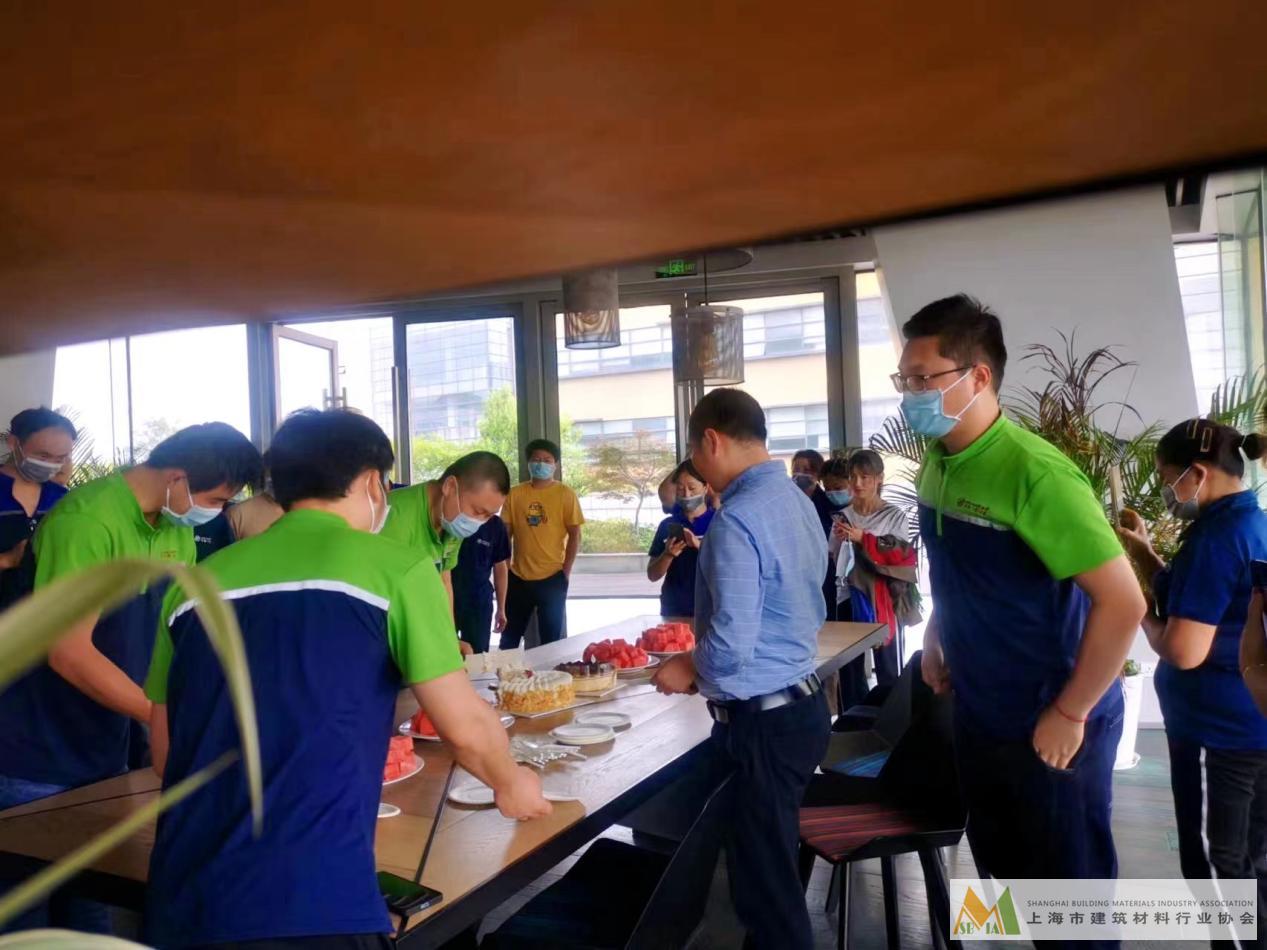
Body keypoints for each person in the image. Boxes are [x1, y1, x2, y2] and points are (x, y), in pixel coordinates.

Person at [143, 409, 549, 950]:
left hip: (183, 896)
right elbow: (464, 725)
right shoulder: (395, 570)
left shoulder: (190, 586)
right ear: (371, 483)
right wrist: (511, 782)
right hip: (314, 898)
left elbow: (165, 750)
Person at [902, 294, 1144, 945]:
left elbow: (1124, 602)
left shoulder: (1036, 473)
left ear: (977, 377)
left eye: (923, 379)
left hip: (1052, 712)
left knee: (1070, 900)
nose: (911, 394)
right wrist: (936, 635)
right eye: (905, 379)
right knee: (1008, 877)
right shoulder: (938, 464)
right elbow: (955, 569)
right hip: (981, 710)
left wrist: (1071, 711)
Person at [0, 422, 262, 809]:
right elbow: (68, 652)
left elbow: (176, 626)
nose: (218, 512)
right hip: (41, 751)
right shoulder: (87, 521)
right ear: (177, 478)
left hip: (109, 739)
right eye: (216, 500)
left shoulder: (174, 526)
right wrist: (160, 716)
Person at [652, 388, 829, 950]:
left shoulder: (737, 521)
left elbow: (729, 645)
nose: (694, 470)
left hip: (763, 726)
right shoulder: (797, 501)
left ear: (711, 441)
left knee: (767, 894)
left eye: (693, 453)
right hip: (799, 707)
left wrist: (689, 664)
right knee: (761, 872)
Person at [1118, 418, 1267, 934]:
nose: (1167, 492)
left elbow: (1183, 650)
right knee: (1253, 857)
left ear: (1197, 473)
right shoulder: (1250, 524)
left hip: (1215, 733)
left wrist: (1136, 607)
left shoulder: (1217, 539)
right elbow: (1200, 600)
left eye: (1168, 478)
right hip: (1252, 722)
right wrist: (1144, 553)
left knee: (1217, 865)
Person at [827, 450, 914, 709]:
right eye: (853, 477)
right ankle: (854, 717)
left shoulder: (894, 515)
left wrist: (862, 539)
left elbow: (900, 555)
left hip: (884, 598)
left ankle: (890, 718)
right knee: (849, 666)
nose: (858, 483)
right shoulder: (842, 516)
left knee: (888, 665)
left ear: (879, 478)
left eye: (865, 477)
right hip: (848, 594)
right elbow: (832, 555)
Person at [499, 439, 584, 648]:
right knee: (509, 638)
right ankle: (505, 670)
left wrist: (566, 571)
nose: (541, 464)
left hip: (553, 577)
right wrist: (506, 568)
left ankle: (549, 671)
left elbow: (575, 535)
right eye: (536, 459)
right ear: (528, 463)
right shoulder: (515, 494)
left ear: (555, 464)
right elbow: (504, 534)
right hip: (518, 577)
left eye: (547, 460)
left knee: (551, 641)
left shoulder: (565, 494)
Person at [0, 408, 77, 612]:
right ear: (14, 443)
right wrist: (7, 560)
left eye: (61, 458)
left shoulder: (62, 499)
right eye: (43, 456)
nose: (52, 465)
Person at [646, 459, 714, 617]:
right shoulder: (667, 526)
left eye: (692, 488)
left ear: (705, 487)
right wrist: (667, 555)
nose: (686, 494)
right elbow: (652, 575)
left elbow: (731, 567)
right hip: (674, 608)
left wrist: (699, 546)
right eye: (680, 489)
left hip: (710, 607)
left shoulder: (719, 522)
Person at [452, 513, 512, 654]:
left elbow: (500, 567)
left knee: (478, 656)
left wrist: (501, 608)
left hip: (479, 603)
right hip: (447, 598)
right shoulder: (452, 518)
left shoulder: (495, 525)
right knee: (445, 653)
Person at [791, 448, 838, 621]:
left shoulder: (828, 502)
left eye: (807, 470)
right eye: (796, 469)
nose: (800, 474)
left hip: (824, 568)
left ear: (817, 474)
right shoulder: (787, 499)